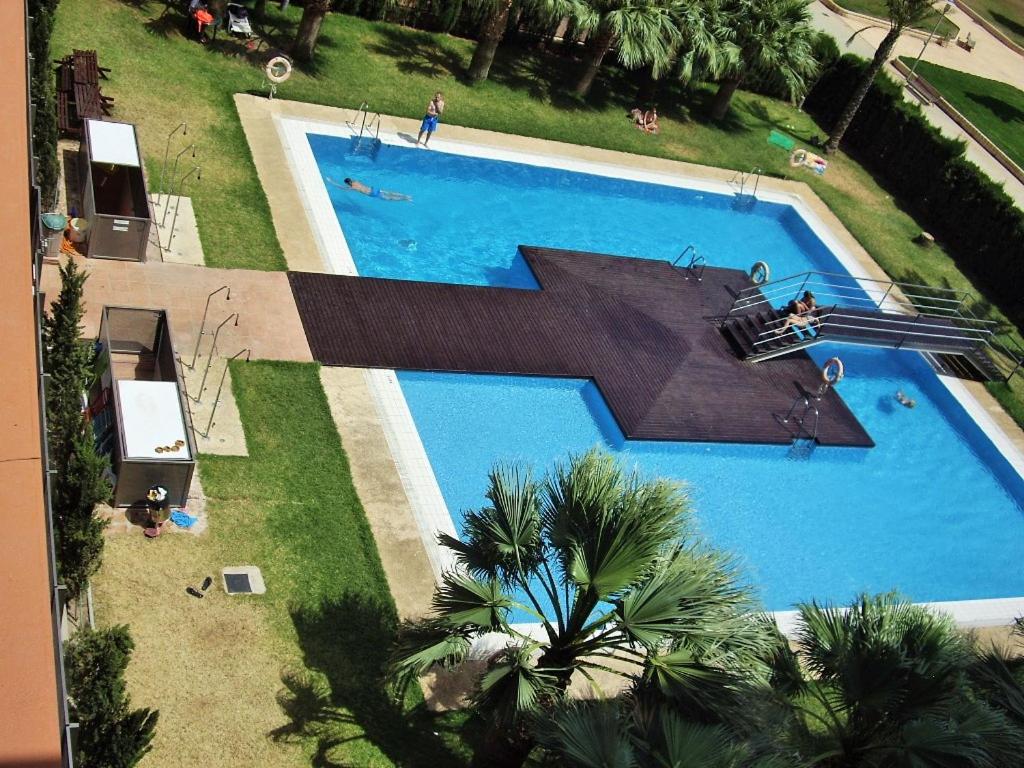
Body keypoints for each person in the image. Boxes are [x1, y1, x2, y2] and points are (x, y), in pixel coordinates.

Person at [327, 176, 412, 202]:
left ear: (347, 183)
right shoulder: (356, 181)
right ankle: (406, 196)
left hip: (372, 194)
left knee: (389, 198)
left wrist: (331, 181)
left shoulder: (352, 187)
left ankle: (405, 199)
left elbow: (341, 187)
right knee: (390, 192)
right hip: (373, 188)